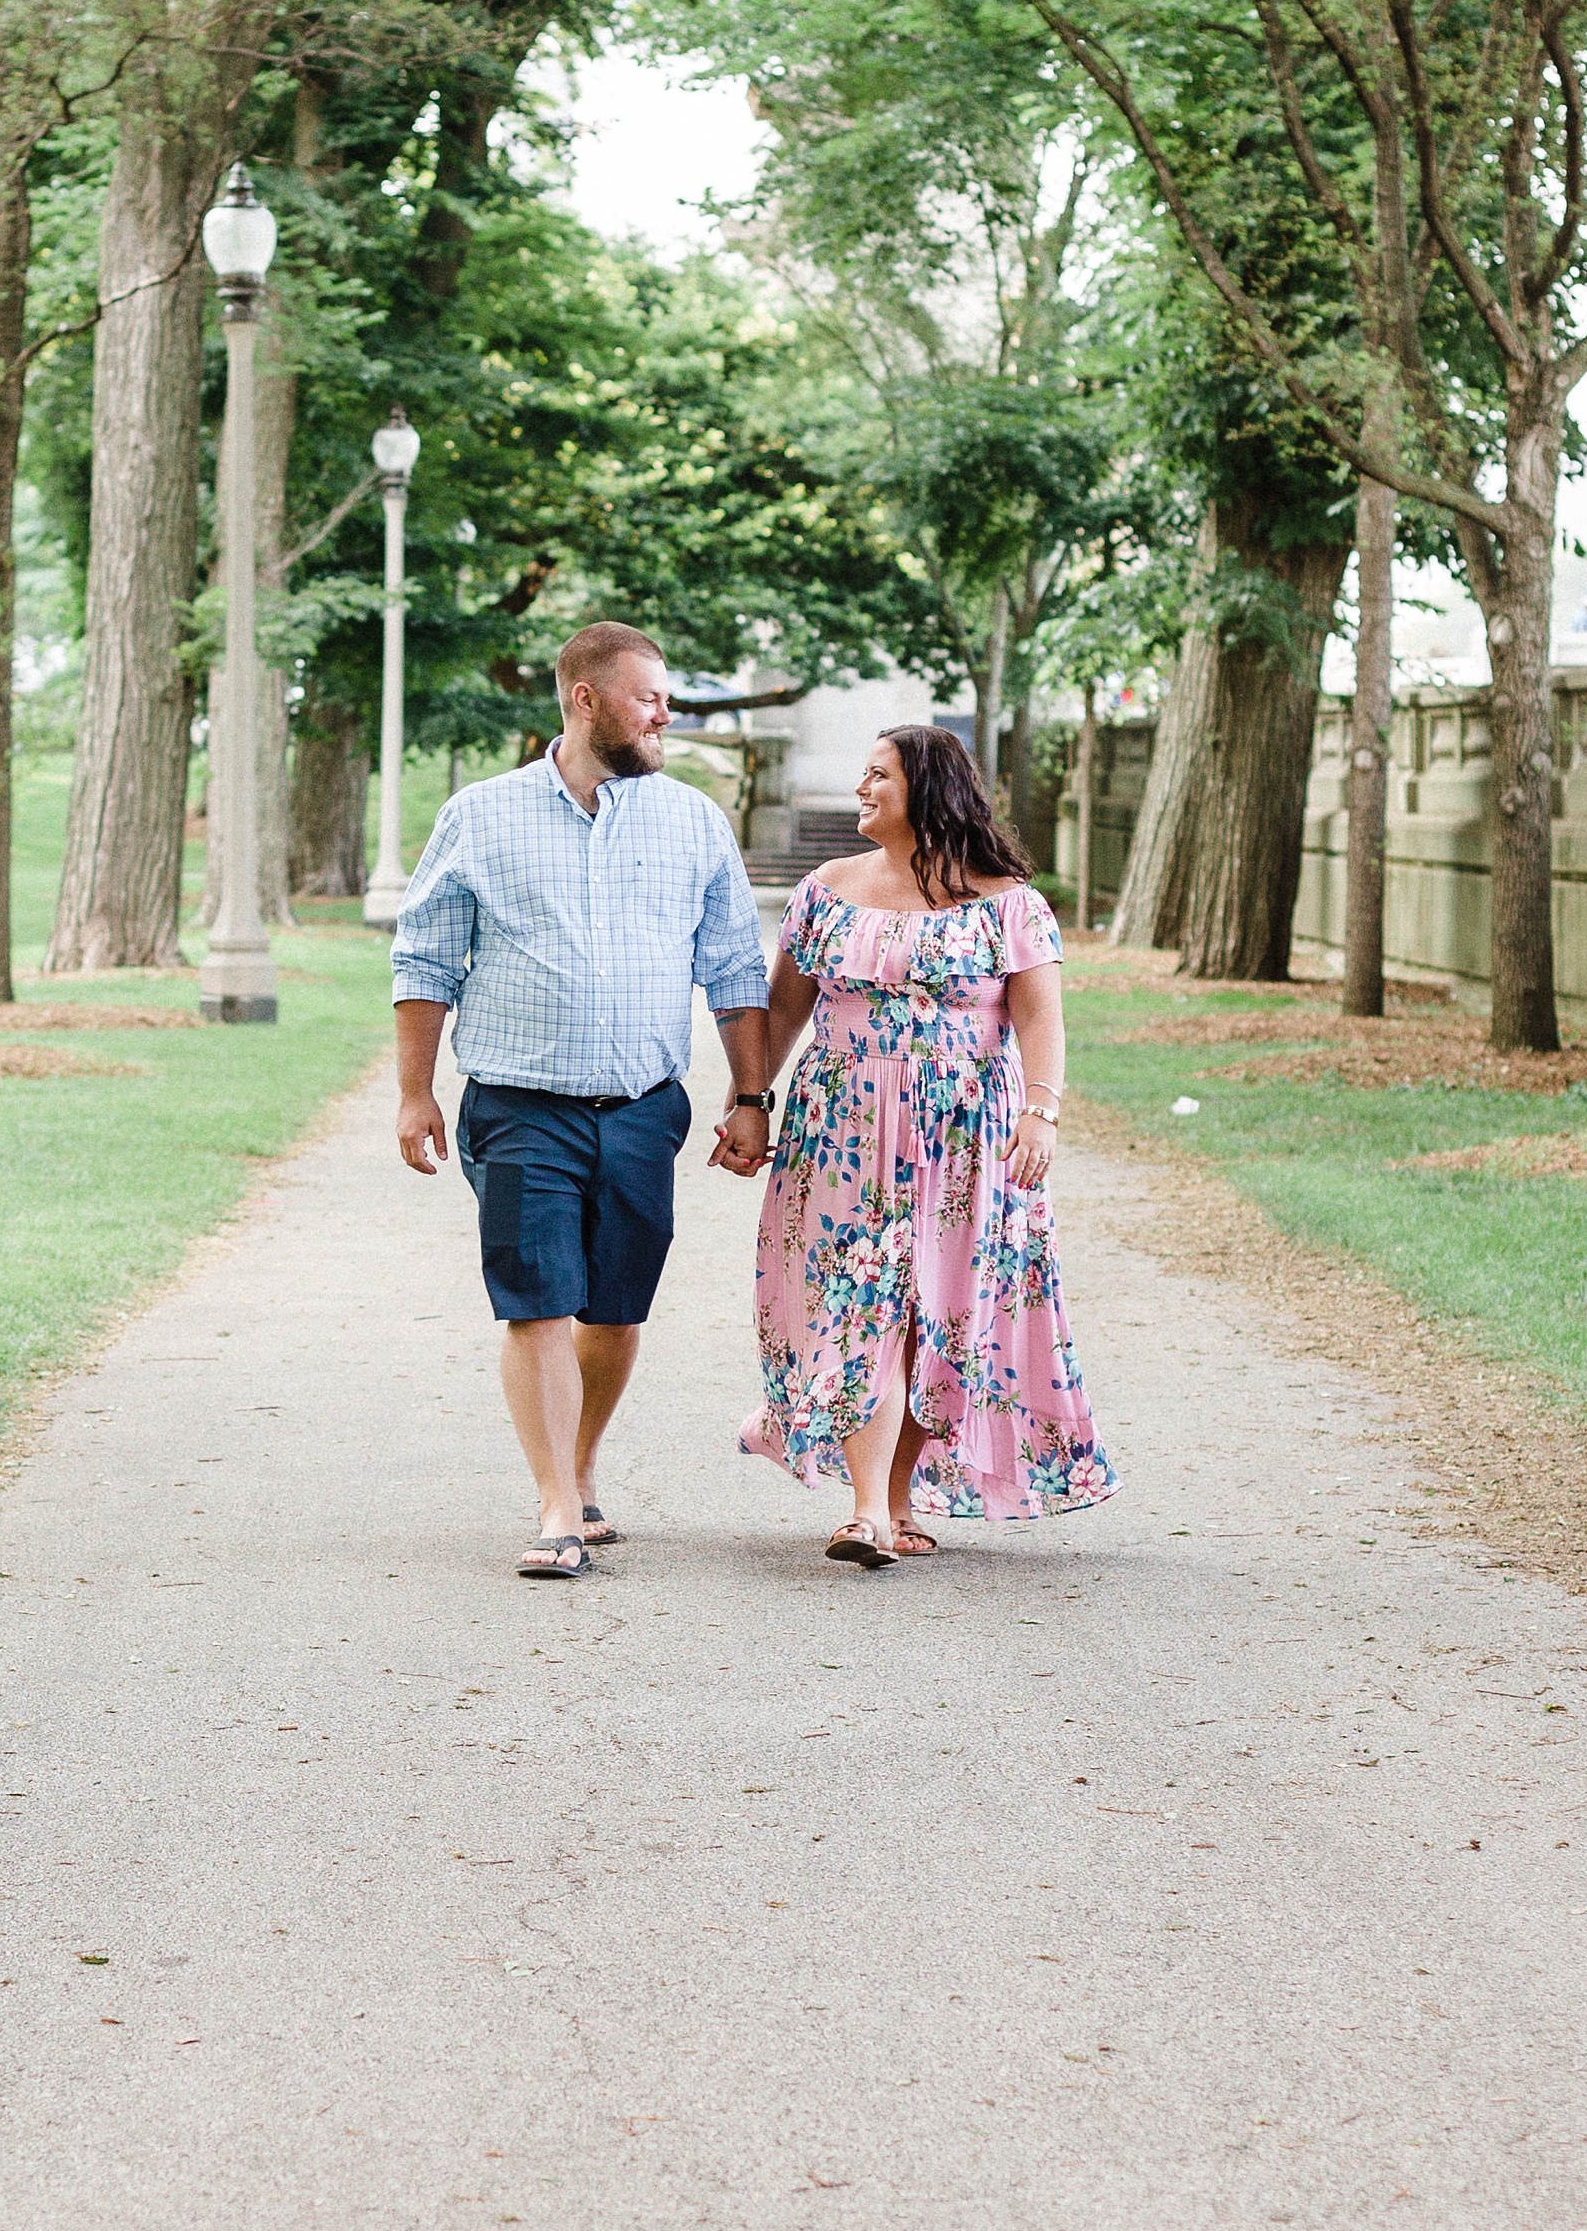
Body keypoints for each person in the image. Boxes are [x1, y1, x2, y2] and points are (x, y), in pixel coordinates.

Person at [392, 621, 774, 1579]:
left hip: (646, 1105)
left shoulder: (693, 821)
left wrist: (751, 1095)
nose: (664, 713)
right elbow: (425, 958)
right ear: (585, 700)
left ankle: (582, 1461)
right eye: (649, 697)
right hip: (521, 1105)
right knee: (541, 1302)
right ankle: (557, 1503)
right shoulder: (479, 815)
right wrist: (413, 1092)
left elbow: (733, 967)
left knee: (613, 1309)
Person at [742, 721, 1115, 1565]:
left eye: (878, 775)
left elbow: (1040, 1017)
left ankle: (897, 1500)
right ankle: (867, 1509)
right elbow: (784, 1011)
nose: (861, 789)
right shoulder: (825, 890)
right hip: (840, 1131)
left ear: (929, 789)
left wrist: (1042, 1113)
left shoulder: (1008, 902)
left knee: (930, 1313)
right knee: (856, 1303)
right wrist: (747, 1103)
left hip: (964, 1132)